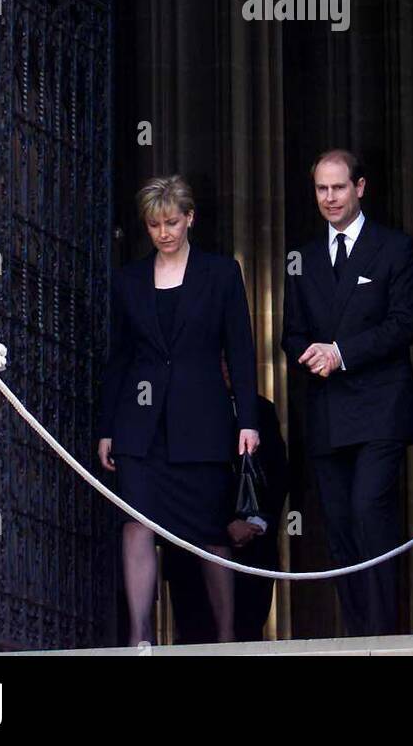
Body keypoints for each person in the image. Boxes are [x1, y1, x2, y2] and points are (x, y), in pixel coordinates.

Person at [97, 175, 260, 645]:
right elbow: (120, 357)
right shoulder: (129, 279)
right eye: (154, 225)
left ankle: (227, 637)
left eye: (171, 222)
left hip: (203, 422)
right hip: (140, 427)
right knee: (136, 524)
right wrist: (108, 427)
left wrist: (248, 420)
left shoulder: (222, 273)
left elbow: (242, 351)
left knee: (211, 532)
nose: (163, 232)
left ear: (190, 219)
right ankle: (139, 638)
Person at [281, 149, 413, 636]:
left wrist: (341, 352)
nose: (329, 198)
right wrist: (311, 355)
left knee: (369, 511)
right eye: (321, 189)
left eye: (338, 187)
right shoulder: (301, 257)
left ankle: (384, 635)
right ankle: (359, 633)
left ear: (360, 188)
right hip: (326, 410)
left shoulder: (395, 248)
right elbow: (291, 333)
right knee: (339, 527)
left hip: (380, 406)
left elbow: (404, 325)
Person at [164, 362, 289, 644]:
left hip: (251, 549)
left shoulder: (262, 411)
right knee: (194, 637)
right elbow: (176, 481)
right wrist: (222, 524)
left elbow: (280, 474)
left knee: (246, 635)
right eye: (216, 359)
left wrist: (256, 522)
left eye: (229, 359)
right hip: (193, 548)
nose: (223, 368)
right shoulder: (179, 409)